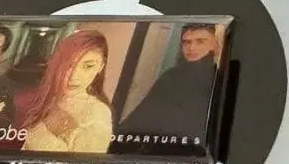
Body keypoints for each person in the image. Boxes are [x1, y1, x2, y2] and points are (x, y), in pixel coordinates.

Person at [115, 23, 222, 151]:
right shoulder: (170, 77)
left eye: (200, 41)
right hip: (157, 147)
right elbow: (141, 116)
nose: (191, 47)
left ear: (214, 44)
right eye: (186, 42)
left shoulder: (219, 79)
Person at [15, 30, 113, 154]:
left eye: (88, 66)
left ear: (100, 67)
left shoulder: (98, 113)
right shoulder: (49, 98)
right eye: (69, 65)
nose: (74, 76)